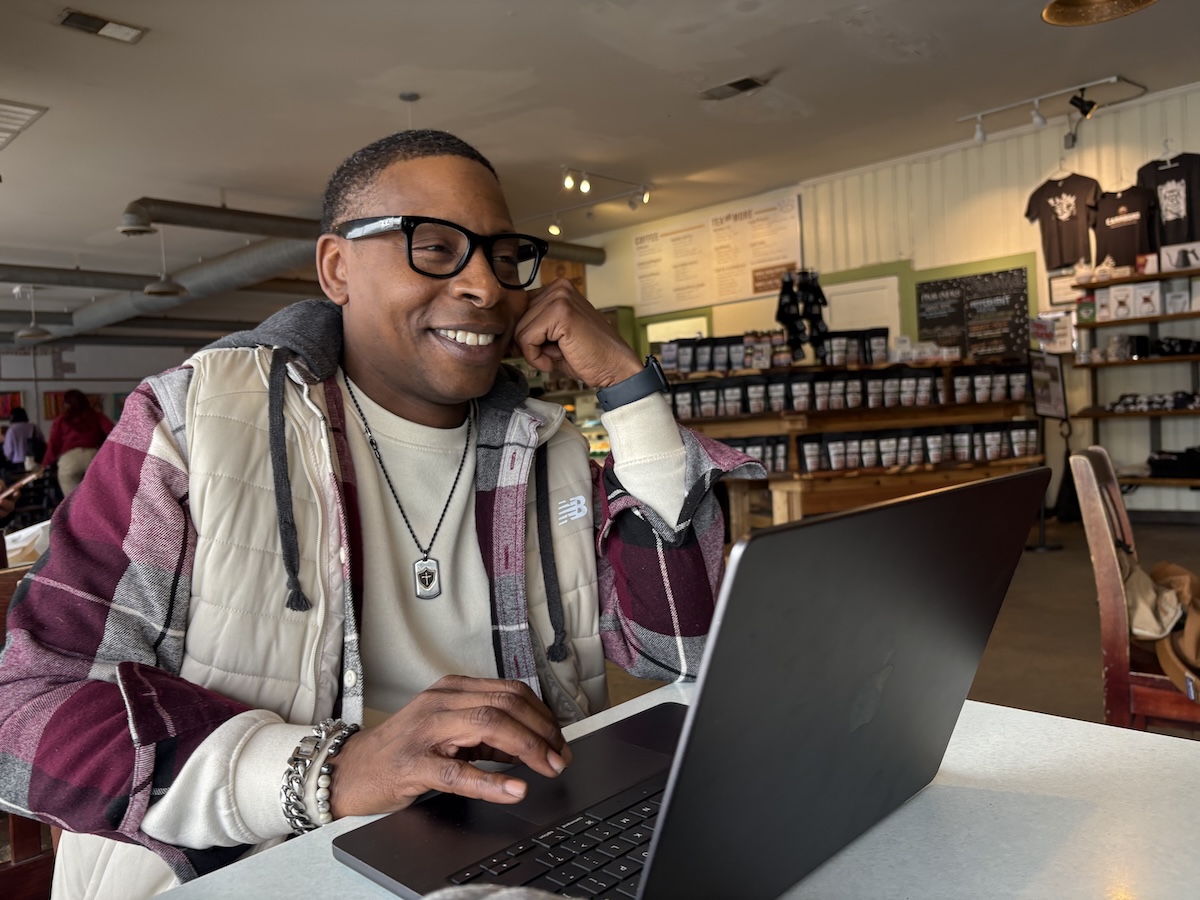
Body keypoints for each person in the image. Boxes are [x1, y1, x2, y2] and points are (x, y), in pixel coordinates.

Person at [0, 129, 763, 899]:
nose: (486, 287)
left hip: (520, 853)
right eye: (435, 247)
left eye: (503, 256)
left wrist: (633, 395)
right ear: (337, 267)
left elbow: (682, 654)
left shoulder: (551, 451)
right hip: (255, 867)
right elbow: (25, 712)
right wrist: (330, 770)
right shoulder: (194, 422)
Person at [41, 388, 114, 496]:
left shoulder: (60, 420)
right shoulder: (97, 416)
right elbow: (114, 433)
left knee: (73, 501)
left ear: (65, 404)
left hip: (70, 460)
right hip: (93, 457)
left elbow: (53, 445)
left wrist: (45, 464)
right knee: (97, 498)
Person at [1, 406, 43, 477]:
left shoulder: (12, 430)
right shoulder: (33, 427)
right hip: (34, 461)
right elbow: (41, 441)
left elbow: (8, 451)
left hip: (17, 463)